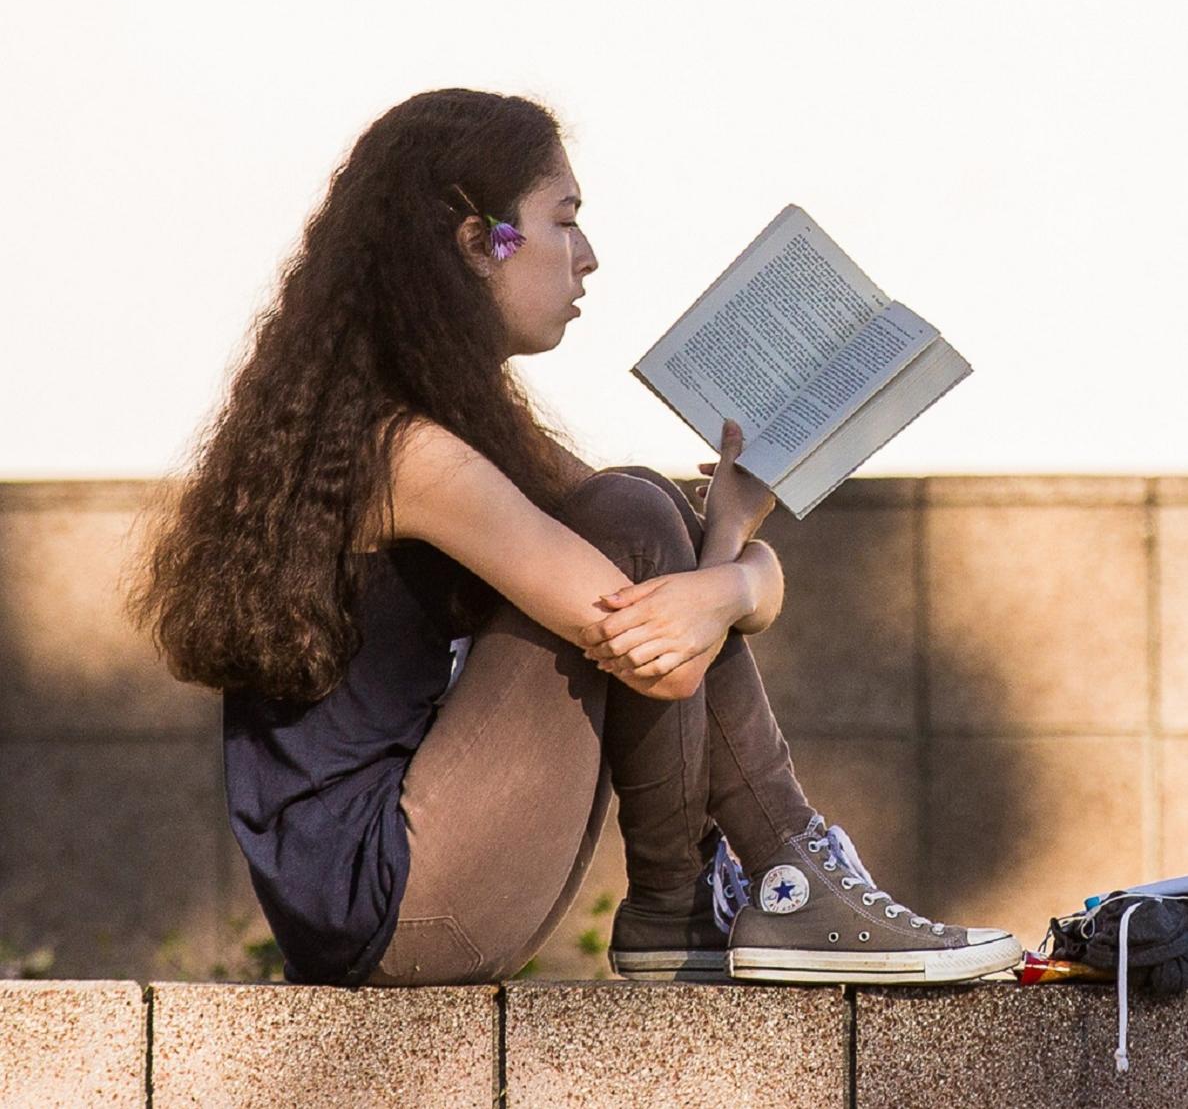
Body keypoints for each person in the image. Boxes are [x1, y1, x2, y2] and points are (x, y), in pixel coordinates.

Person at [128, 87, 1021, 987]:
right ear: (479, 245)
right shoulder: (406, 453)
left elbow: (669, 601)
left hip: (396, 887)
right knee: (634, 514)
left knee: (635, 499)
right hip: (397, 901)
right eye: (564, 222)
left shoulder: (432, 428)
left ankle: (697, 901)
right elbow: (663, 651)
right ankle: (773, 875)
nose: (588, 258)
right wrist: (736, 570)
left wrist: (732, 549)